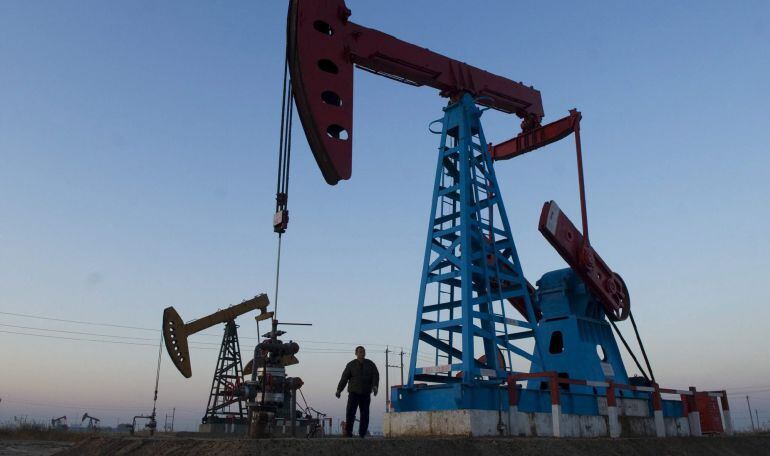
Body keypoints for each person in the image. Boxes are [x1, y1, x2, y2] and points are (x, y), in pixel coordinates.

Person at [335, 345, 379, 437]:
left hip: (366, 393)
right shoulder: (351, 365)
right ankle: (348, 433)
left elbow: (375, 375)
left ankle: (362, 434)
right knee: (350, 413)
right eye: (360, 351)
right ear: (356, 353)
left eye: (363, 351)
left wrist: (375, 386)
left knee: (365, 414)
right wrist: (339, 390)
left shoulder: (370, 364)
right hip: (354, 393)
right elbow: (344, 378)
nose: (362, 353)